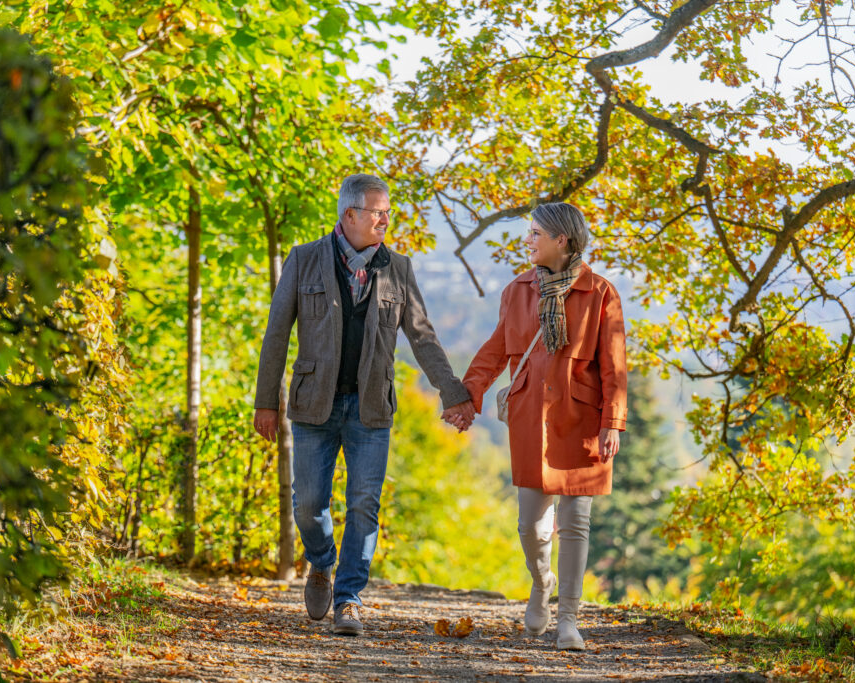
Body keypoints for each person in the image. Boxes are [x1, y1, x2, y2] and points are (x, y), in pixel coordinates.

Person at [253, 173, 475, 636]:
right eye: (377, 212)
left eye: (387, 212)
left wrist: (453, 393)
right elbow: (276, 334)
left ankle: (349, 597)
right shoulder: (304, 259)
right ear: (349, 214)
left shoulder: (399, 268)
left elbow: (423, 338)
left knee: (364, 504)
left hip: (371, 407)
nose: (385, 220)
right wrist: (265, 401)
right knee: (309, 503)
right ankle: (320, 563)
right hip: (314, 404)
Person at [458, 202, 627, 651]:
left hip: (583, 419)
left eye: (536, 233)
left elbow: (614, 368)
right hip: (531, 418)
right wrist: (466, 395)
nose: (528, 240)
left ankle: (568, 619)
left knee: (576, 522)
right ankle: (542, 580)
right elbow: (497, 349)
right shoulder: (517, 290)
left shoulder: (601, 293)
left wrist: (613, 422)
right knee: (530, 526)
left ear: (562, 240)